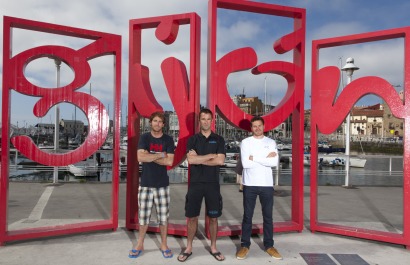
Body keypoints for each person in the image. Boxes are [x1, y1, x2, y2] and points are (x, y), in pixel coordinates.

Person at [177, 108, 226, 262]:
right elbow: (191, 160)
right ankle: (189, 247)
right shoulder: (192, 140)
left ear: (212, 121)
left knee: (213, 218)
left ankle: (213, 247)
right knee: (192, 217)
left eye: (208, 119)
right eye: (203, 119)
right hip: (195, 184)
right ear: (200, 121)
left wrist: (201, 158)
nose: (205, 121)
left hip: (212, 184)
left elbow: (220, 161)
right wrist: (211, 156)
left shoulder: (219, 139)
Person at [129, 111, 175, 259]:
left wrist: (150, 156)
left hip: (162, 185)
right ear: (151, 123)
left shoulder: (168, 139)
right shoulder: (145, 138)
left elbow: (169, 161)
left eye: (160, 122)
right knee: (143, 217)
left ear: (163, 124)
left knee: (163, 217)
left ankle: (164, 244)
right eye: (155, 121)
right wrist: (160, 155)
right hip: (146, 185)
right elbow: (140, 157)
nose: (157, 124)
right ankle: (140, 244)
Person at [235, 116, 282, 260]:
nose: (257, 128)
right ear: (251, 128)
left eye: (259, 126)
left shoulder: (271, 142)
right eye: (254, 126)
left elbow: (274, 162)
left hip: (267, 185)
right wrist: (264, 158)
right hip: (249, 184)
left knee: (268, 217)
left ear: (264, 126)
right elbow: (246, 164)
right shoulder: (245, 142)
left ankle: (269, 245)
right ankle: (244, 245)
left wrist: (254, 157)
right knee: (247, 217)